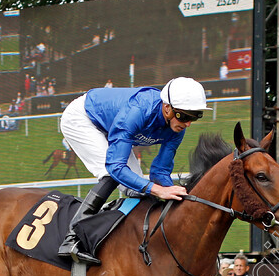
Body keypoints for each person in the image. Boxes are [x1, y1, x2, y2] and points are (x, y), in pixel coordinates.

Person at [57, 77, 211, 264]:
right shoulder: (138, 111)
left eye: (194, 117)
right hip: (84, 118)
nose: (188, 124)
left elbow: (159, 172)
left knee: (138, 187)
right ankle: (72, 238)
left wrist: (174, 197)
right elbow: (116, 167)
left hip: (111, 124)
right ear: (167, 107)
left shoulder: (177, 127)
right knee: (111, 175)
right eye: (184, 116)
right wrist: (157, 190)